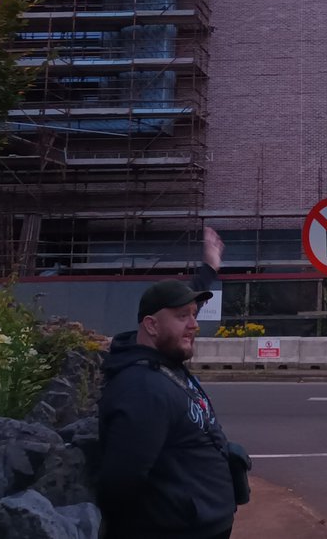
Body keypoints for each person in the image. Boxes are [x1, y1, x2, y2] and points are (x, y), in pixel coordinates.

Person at [98, 227, 242, 539]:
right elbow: (119, 483)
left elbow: (180, 302)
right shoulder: (142, 388)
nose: (194, 325)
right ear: (151, 326)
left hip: (203, 522)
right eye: (183, 317)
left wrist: (210, 267)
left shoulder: (162, 357)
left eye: (194, 314)